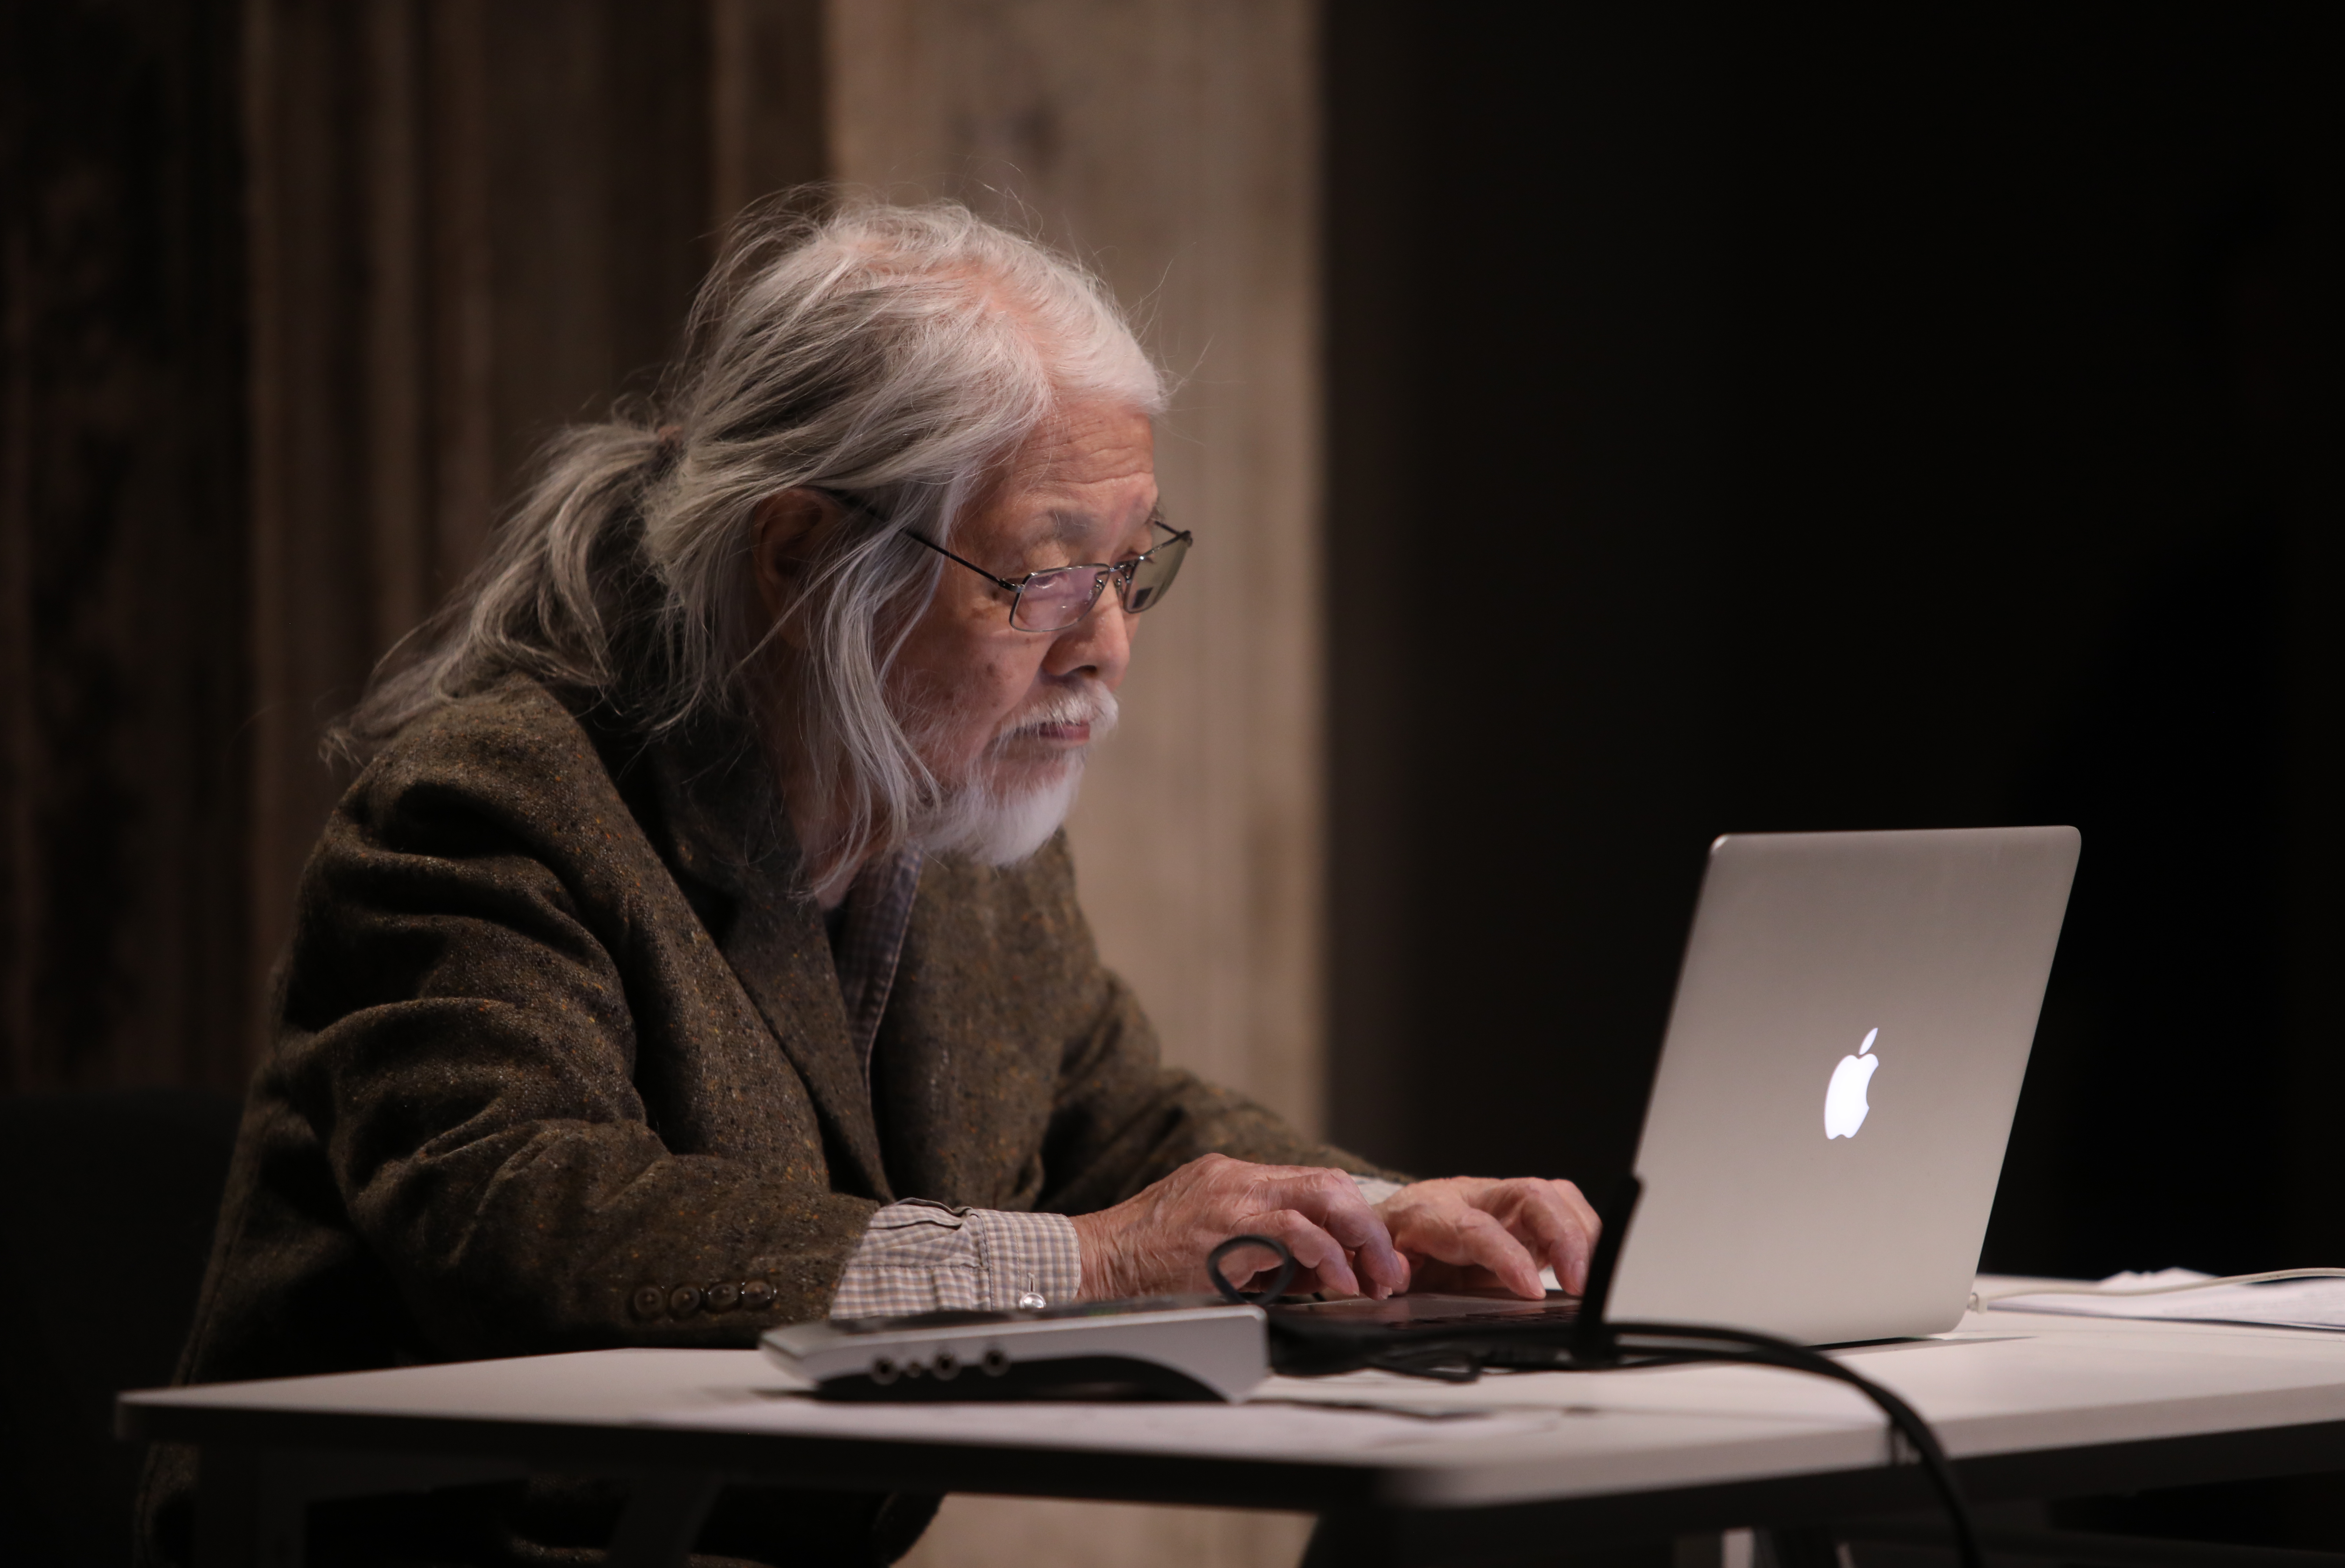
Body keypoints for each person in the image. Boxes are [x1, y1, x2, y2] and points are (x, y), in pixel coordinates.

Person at [141, 200, 1600, 1567]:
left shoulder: (962, 826)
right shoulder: (491, 806)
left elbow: (1123, 1131)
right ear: (802, 554)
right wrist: (1085, 1267)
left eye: (1126, 566)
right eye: (1043, 573)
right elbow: (529, 1223)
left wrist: (1381, 1220)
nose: (1105, 647)